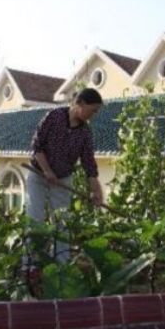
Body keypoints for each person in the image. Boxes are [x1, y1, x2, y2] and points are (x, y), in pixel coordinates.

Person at [25, 88, 104, 261]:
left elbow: (89, 165)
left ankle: (63, 264)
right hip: (38, 175)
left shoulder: (85, 133)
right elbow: (37, 146)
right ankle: (30, 266)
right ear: (81, 103)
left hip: (63, 180)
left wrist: (96, 191)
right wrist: (47, 171)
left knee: (62, 223)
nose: (94, 114)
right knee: (35, 219)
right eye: (93, 110)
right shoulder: (54, 117)